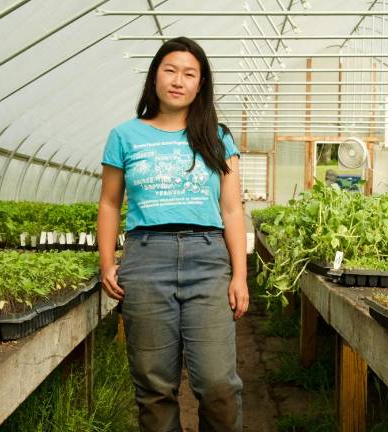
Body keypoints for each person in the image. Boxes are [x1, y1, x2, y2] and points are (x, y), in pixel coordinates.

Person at [97, 36, 248, 432]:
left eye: (189, 74)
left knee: (218, 383)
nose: (178, 80)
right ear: (155, 77)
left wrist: (240, 275)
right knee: (154, 384)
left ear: (201, 85)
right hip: (146, 258)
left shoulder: (217, 135)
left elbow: (232, 209)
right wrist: (108, 262)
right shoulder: (125, 136)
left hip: (207, 256)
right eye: (170, 70)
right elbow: (110, 203)